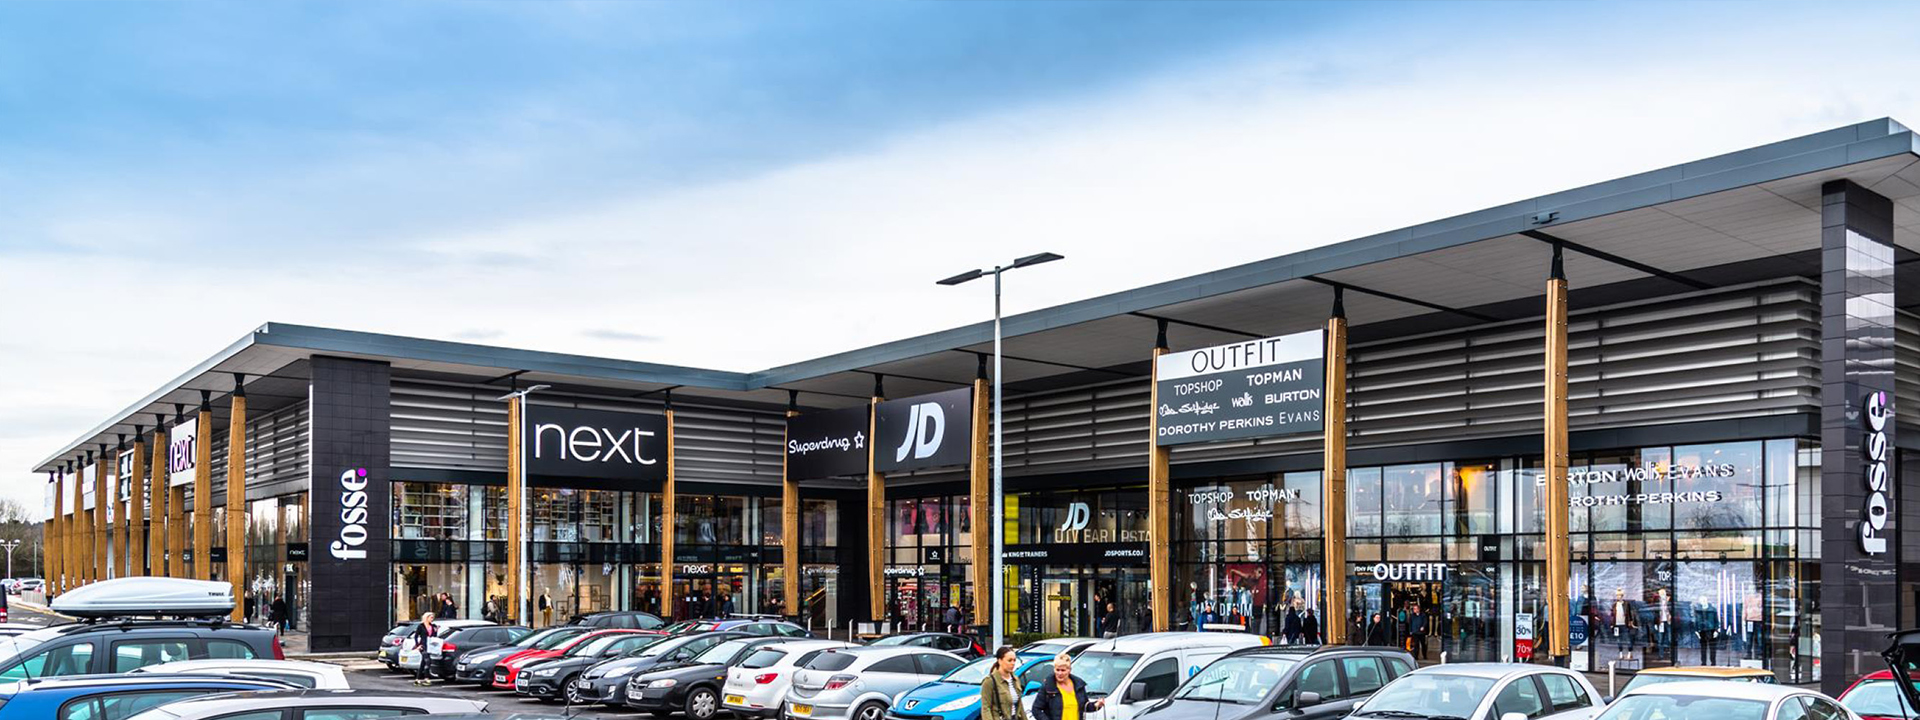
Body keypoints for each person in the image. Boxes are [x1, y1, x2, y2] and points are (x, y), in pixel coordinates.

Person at [1032, 653, 1104, 720]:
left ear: (1069, 670)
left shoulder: (1079, 685)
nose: (1060, 673)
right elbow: (1036, 709)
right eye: (1057, 670)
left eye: (1063, 670)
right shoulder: (1048, 686)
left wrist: (1096, 705)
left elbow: (1084, 706)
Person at [980, 646, 1027, 720]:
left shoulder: (1015, 679)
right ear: (1000, 661)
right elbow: (986, 708)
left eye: (1014, 660)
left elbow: (1020, 707)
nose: (1013, 663)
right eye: (1009, 660)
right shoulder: (990, 681)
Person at [411, 612, 437, 685]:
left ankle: (418, 679)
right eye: (431, 617)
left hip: (430, 646)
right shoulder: (421, 626)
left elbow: (434, 636)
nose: (432, 619)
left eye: (433, 618)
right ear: (426, 618)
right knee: (428, 661)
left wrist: (436, 631)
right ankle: (426, 678)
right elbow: (416, 636)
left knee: (423, 663)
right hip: (423, 646)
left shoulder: (433, 626)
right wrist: (417, 645)